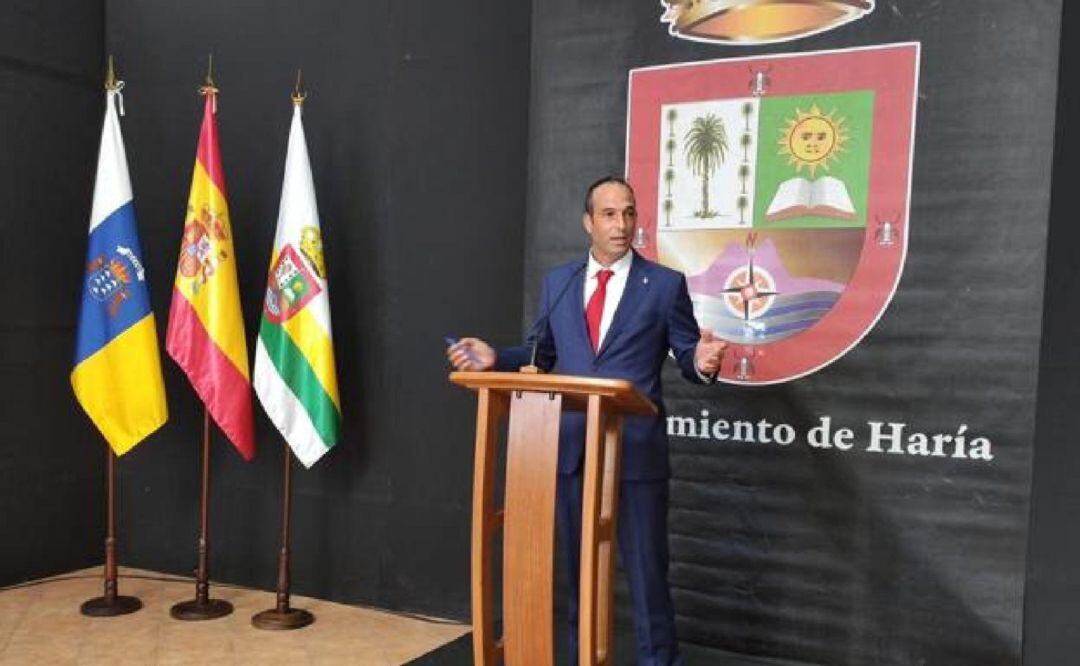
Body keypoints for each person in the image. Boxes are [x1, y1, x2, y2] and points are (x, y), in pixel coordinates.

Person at [448, 176, 726, 665]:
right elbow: (542, 352)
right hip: (573, 449)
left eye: (630, 213)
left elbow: (687, 354)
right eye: (610, 214)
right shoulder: (559, 283)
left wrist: (702, 362)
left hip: (636, 451)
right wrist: (497, 357)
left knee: (647, 577)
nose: (622, 225)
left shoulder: (664, 285)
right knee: (580, 577)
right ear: (587, 222)